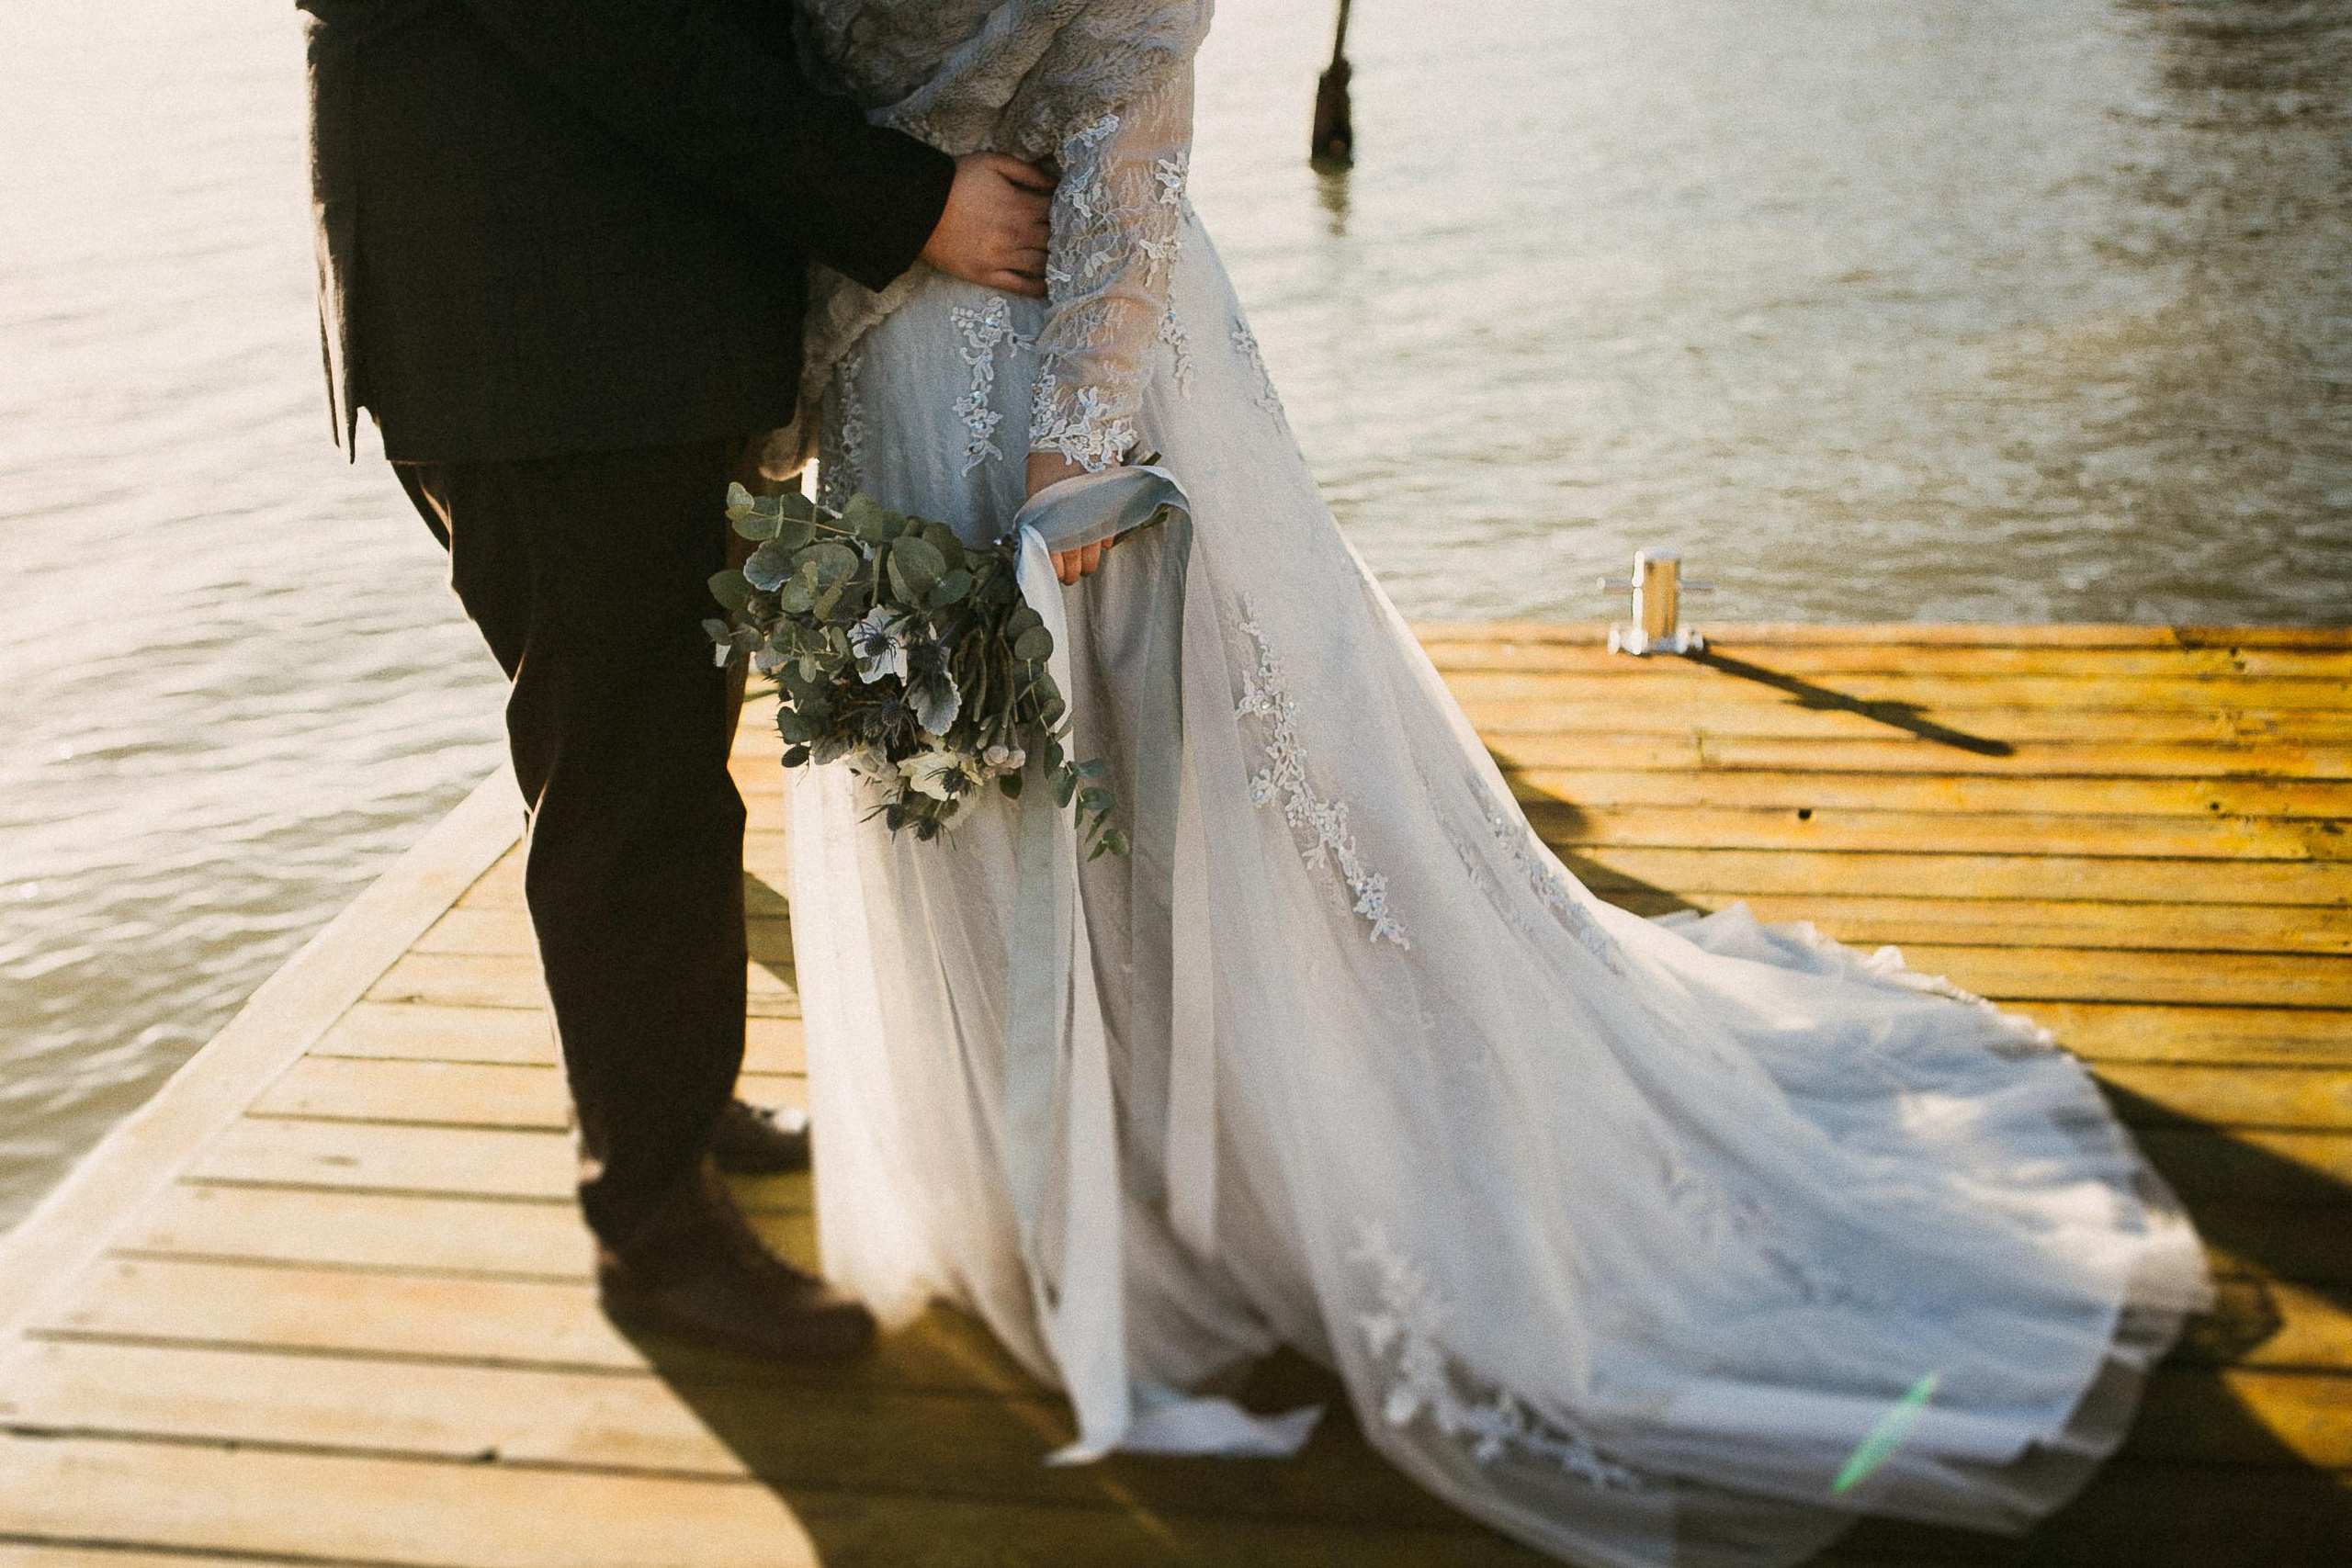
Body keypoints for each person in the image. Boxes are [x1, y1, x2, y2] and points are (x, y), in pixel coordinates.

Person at [770, 4, 2215, 1565]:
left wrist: (1077, 455)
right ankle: (1053, 1191)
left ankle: (1257, 1181)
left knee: (1194, 791)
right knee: (961, 785)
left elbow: (1132, 102)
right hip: (890, 382)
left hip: (1070, 370)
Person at [296, 0, 1057, 1362]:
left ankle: (674, 1113)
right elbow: (615, 31)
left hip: (587, 318)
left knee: (663, 750)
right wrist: (905, 203)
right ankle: (656, 1234)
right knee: (629, 786)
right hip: (545, 328)